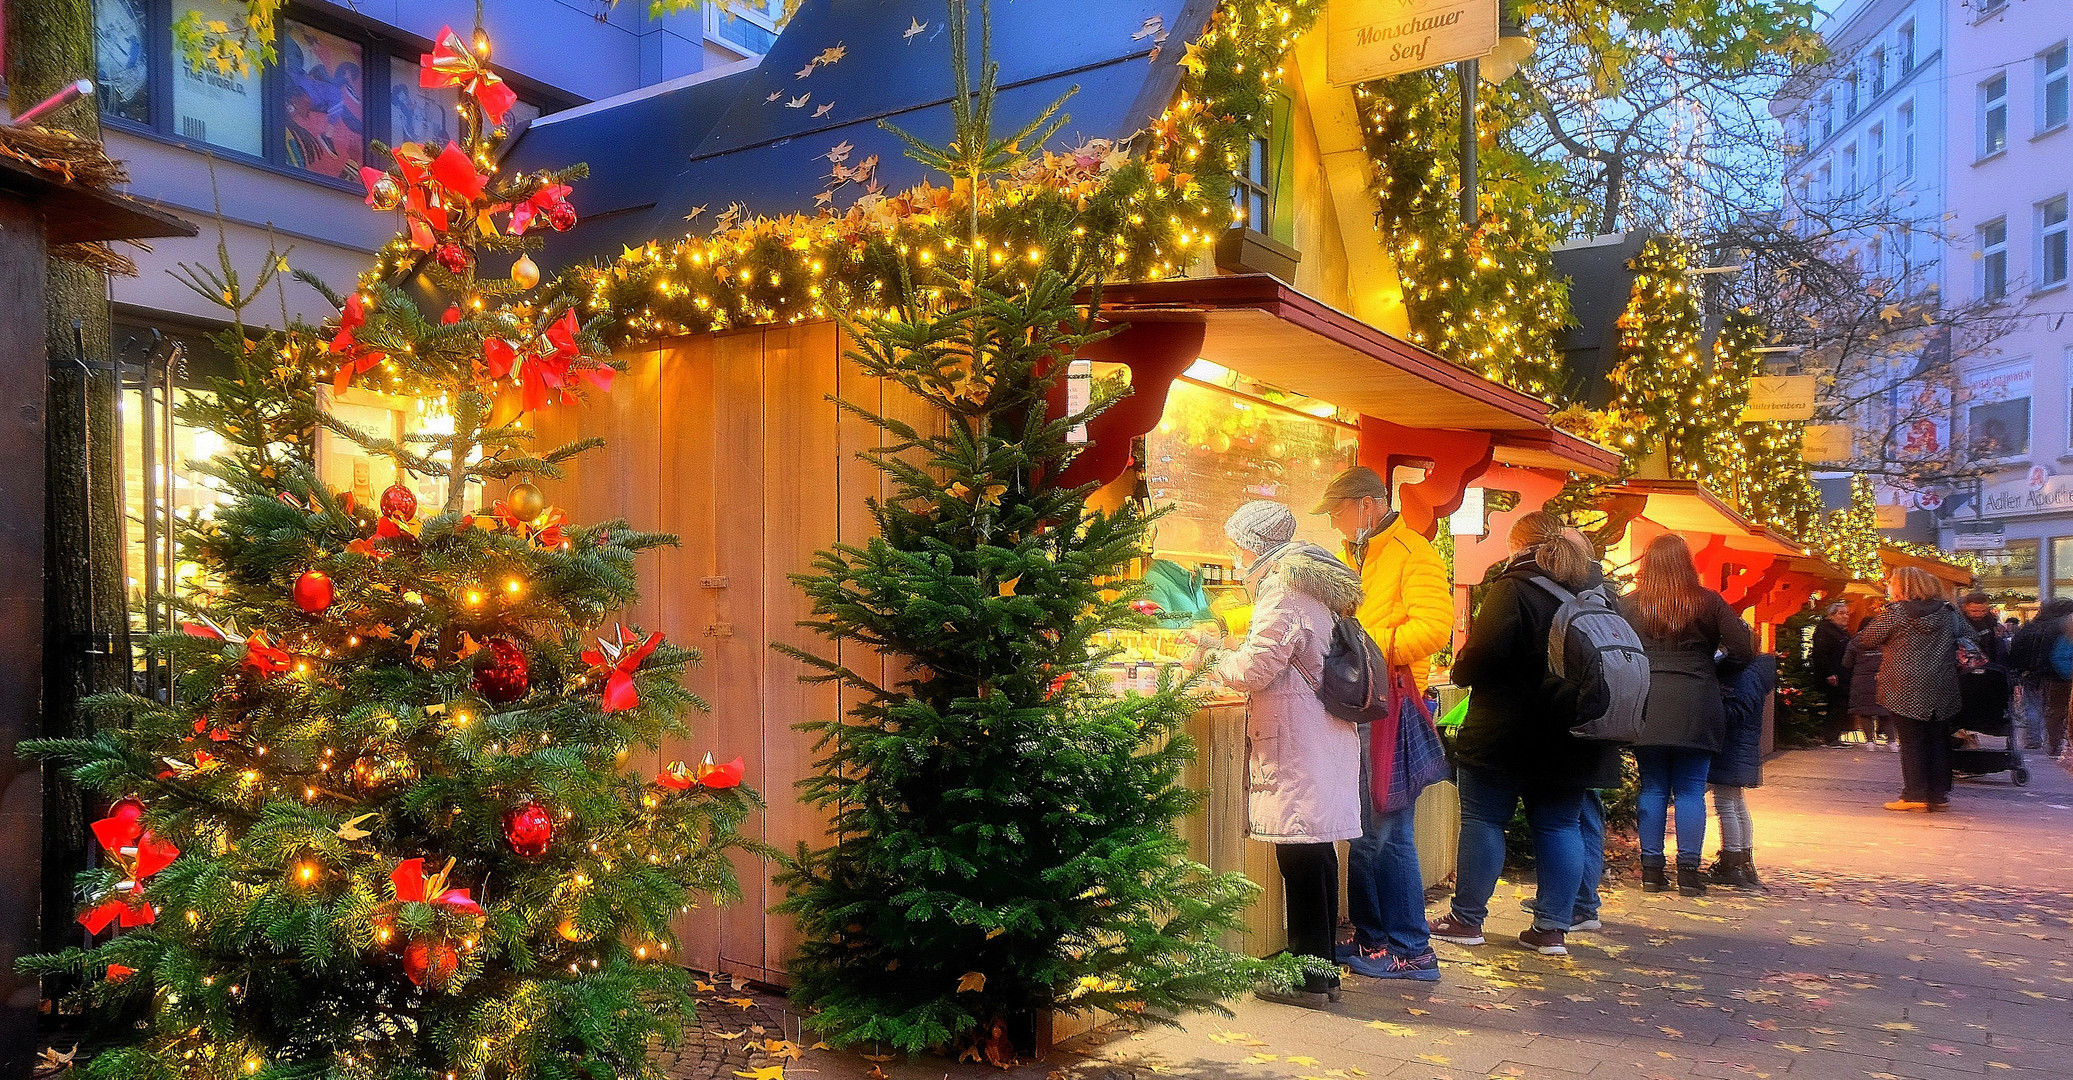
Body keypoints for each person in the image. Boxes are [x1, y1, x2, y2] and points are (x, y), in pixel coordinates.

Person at [1192, 500, 1364, 1005]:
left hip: (1297, 736)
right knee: (1316, 853)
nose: (1235, 552)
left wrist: (1211, 655)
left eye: (1239, 542)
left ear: (1256, 543)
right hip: (1320, 732)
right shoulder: (1312, 584)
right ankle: (1322, 972)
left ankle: (1309, 978)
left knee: (1301, 857)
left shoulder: (1283, 587)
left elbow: (1256, 669)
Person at [1430, 512, 1620, 957]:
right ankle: (1552, 929)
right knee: (1559, 825)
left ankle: (1467, 920)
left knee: (1484, 820)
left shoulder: (1514, 588)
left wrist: (1461, 667)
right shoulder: (1599, 594)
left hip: (1506, 732)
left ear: (1519, 545)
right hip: (1574, 733)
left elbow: (1480, 658)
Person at [1314, 466, 1450, 980]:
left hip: (1392, 705)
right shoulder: (1351, 556)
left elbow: (1433, 626)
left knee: (1390, 833)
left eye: (1338, 512)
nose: (1334, 523)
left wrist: (1371, 652)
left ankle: (1412, 949)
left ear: (1367, 505)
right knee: (1366, 833)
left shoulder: (1414, 552)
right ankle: (1375, 941)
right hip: (1362, 705)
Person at [1620, 534, 1755, 897]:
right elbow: (1743, 649)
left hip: (1647, 700)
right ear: (1687, 564)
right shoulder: (1708, 601)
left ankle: (1651, 870)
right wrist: (1716, 673)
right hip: (1697, 700)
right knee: (1692, 789)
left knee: (1653, 786)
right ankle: (1690, 872)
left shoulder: (1630, 605)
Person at [1850, 567, 1974, 811]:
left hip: (1902, 685)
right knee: (1938, 739)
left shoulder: (1895, 614)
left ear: (1903, 587)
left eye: (1892, 584)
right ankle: (1938, 795)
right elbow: (1970, 636)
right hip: (1941, 683)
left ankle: (1914, 794)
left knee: (1911, 741)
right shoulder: (1948, 612)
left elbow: (1865, 640)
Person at [1708, 654, 1776, 888]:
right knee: (1736, 803)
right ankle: (1743, 859)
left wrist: (1714, 704)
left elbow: (1737, 712)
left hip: (1732, 747)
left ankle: (1732, 860)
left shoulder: (1745, 676)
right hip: (1739, 748)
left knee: (1726, 804)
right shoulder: (1755, 674)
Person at [2008, 598, 2073, 753]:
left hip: (2031, 673)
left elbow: (2016, 650)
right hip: (2056, 674)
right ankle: (2052, 742)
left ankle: (2033, 739)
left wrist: (2018, 670)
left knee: (2033, 706)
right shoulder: (2061, 628)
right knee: (2055, 710)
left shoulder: (2030, 628)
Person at [1842, 603, 1893, 748]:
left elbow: (1846, 662)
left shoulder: (1855, 641)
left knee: (1865, 712)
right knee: (1886, 712)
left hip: (1861, 681)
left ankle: (1870, 741)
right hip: (1884, 679)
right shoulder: (1886, 640)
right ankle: (1892, 741)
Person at [1809, 602, 1854, 746]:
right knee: (1836, 705)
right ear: (1831, 615)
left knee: (1840, 705)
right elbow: (1821, 653)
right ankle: (1830, 737)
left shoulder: (1842, 631)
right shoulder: (1825, 630)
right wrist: (1830, 673)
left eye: (1847, 613)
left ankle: (1834, 736)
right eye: (1841, 613)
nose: (1846, 616)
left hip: (1843, 673)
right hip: (1832, 674)